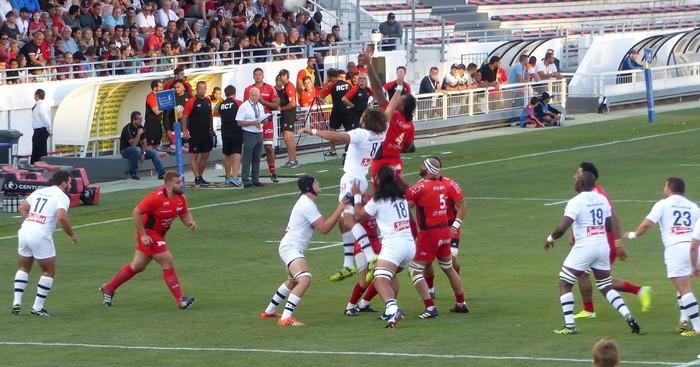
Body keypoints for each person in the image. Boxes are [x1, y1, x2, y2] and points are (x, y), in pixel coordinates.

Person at [545, 170, 640, 335]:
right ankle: (628, 315)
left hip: (585, 246)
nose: (574, 181)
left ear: (581, 184)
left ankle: (569, 326)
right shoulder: (602, 199)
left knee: (565, 283)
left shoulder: (576, 201)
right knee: (605, 286)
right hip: (603, 246)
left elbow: (562, 228)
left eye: (576, 179)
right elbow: (609, 226)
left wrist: (550, 238)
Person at [299, 108, 387, 282]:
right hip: (360, 178)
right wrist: (399, 88)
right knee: (342, 222)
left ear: (366, 120)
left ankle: (370, 256)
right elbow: (389, 111)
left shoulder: (361, 134)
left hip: (351, 180)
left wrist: (313, 131)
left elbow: (340, 138)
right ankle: (348, 264)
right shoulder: (381, 133)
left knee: (348, 221)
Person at [99, 171, 196, 310]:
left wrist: (190, 222)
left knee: (137, 266)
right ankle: (181, 300)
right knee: (167, 261)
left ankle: (108, 288)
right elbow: (136, 212)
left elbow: (184, 213)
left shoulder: (181, 198)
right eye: (178, 182)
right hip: (150, 235)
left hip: (159, 235)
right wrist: (143, 235)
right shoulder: (155, 198)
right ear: (168, 185)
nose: (182, 185)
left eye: (181, 181)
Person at [259, 175, 346, 327]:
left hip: (289, 246)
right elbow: (324, 228)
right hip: (291, 248)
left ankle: (269, 311)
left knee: (293, 281)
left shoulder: (306, 202)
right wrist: (340, 208)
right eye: (315, 182)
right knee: (305, 278)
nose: (319, 183)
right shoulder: (306, 204)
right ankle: (285, 318)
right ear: (309, 187)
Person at [572, 162, 651, 320]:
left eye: (578, 173)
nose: (575, 176)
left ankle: (589, 310)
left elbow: (614, 219)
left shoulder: (598, 194)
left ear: (586, 176)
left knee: (592, 277)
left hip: (602, 241)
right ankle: (640, 291)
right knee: (600, 279)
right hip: (596, 241)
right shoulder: (590, 193)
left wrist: (618, 244)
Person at [624, 177, 700, 336]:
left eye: (665, 186)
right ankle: (684, 321)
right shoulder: (694, 207)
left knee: (684, 288)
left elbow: (646, 224)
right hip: (694, 249)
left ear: (670, 188)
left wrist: (633, 234)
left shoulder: (663, 204)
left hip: (675, 250)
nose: (663, 189)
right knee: (683, 286)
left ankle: (697, 327)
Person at [351, 166, 414, 328]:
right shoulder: (401, 197)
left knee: (379, 279)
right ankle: (390, 311)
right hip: (409, 244)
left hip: (394, 244)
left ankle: (393, 309)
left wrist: (357, 196)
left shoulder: (378, 199)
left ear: (377, 181)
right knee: (390, 275)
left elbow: (358, 216)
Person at [405, 157, 469, 318]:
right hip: (444, 231)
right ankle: (461, 302)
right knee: (447, 266)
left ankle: (430, 307)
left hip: (430, 233)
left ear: (426, 168)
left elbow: (406, 204)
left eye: (422, 164)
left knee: (414, 269)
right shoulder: (443, 185)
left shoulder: (421, 186)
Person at [11, 170, 77, 317]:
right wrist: (71, 234)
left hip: (24, 230)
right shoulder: (62, 197)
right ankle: (37, 307)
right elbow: (61, 217)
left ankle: (16, 302)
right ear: (63, 182)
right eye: (69, 182)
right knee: (48, 271)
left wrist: (32, 221)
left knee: (23, 267)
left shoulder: (39, 191)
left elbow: (22, 207)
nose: (70, 185)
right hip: (40, 235)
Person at [422, 168, 467, 300]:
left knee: (450, 262)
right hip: (431, 229)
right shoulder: (422, 185)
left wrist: (455, 226)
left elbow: (462, 207)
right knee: (427, 262)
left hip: (449, 226)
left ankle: (458, 293)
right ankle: (430, 290)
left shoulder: (450, 185)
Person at [344, 192, 383, 316]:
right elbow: (351, 220)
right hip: (362, 244)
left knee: (384, 275)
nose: (368, 196)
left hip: (376, 241)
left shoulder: (372, 199)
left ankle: (364, 303)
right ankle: (350, 307)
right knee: (364, 279)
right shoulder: (355, 206)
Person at [244, 68, 280, 183]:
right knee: (253, 150)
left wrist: (263, 102)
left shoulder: (270, 88)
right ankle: (251, 176)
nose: (258, 76)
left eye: (260, 74)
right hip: (253, 124)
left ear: (263, 75)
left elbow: (276, 105)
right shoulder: (248, 89)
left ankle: (273, 172)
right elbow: (245, 105)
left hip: (267, 122)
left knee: (268, 148)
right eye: (256, 75)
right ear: (253, 77)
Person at [182, 80, 215, 186]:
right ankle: (196, 177)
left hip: (206, 132)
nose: (202, 90)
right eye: (200, 88)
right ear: (197, 89)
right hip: (195, 132)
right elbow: (184, 116)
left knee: (205, 155)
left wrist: (212, 129)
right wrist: (185, 131)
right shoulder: (192, 101)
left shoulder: (207, 101)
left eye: (204, 88)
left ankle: (200, 176)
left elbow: (210, 116)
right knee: (194, 155)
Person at [120, 111, 166, 180]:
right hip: (126, 151)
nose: (141, 120)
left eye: (141, 118)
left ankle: (161, 173)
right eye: (139, 119)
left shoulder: (141, 127)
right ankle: (133, 171)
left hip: (138, 150)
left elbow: (145, 142)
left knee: (153, 152)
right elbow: (133, 144)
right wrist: (138, 134)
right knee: (136, 149)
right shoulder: (127, 128)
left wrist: (143, 153)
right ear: (134, 120)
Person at [318, 68, 352, 157]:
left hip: (336, 111)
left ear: (329, 76)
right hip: (348, 111)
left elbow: (321, 96)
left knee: (332, 131)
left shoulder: (332, 85)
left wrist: (325, 85)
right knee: (350, 131)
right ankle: (350, 150)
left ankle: (333, 150)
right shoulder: (348, 84)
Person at [236, 87, 266, 188]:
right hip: (249, 133)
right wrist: (253, 122)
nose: (254, 97)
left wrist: (265, 120)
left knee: (257, 157)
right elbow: (239, 122)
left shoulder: (260, 106)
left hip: (259, 133)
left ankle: (255, 179)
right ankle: (245, 179)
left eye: (256, 96)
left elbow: (261, 118)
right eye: (253, 95)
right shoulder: (244, 106)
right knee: (247, 158)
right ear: (249, 95)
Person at [219, 85, 243, 187]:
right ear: (235, 92)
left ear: (225, 93)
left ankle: (228, 177)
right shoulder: (238, 103)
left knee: (227, 154)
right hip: (236, 131)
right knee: (236, 154)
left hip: (225, 131)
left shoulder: (221, 104)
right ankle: (235, 177)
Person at [275, 70, 299, 168]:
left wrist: (282, 108)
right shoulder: (287, 86)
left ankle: (292, 160)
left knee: (287, 137)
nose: (282, 77)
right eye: (281, 75)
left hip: (288, 113)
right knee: (289, 138)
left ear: (287, 76)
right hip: (289, 113)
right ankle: (293, 160)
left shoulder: (289, 86)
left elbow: (292, 103)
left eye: (283, 75)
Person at [30, 88, 51, 164]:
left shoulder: (41, 105)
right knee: (36, 150)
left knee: (40, 151)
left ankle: (40, 165)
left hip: (40, 130)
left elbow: (45, 118)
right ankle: (35, 164)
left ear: (37, 96)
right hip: (38, 131)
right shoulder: (39, 105)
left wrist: (49, 129)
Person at [144, 80, 164, 147]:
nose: (162, 89)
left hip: (158, 123)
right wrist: (167, 106)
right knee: (150, 145)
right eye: (160, 87)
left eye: (162, 87)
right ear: (155, 88)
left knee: (157, 144)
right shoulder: (151, 96)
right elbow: (156, 111)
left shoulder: (159, 96)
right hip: (151, 125)